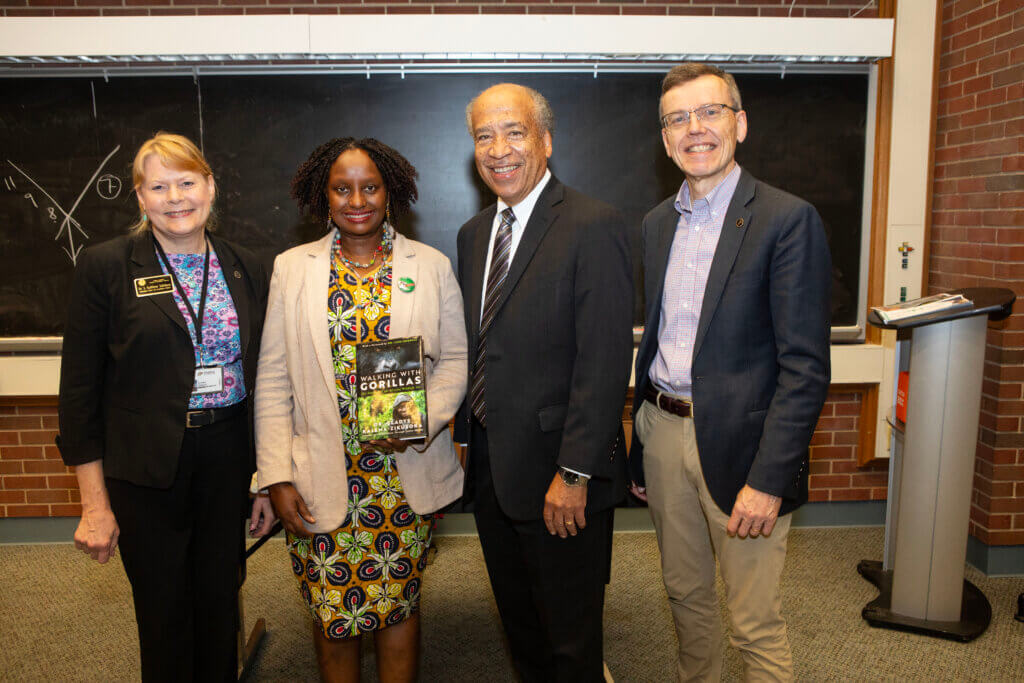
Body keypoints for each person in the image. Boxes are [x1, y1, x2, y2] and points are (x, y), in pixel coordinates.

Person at [630, 63, 832, 681]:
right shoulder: (656, 223)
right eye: (677, 119)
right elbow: (658, 338)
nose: (695, 129)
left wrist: (769, 480)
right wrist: (641, 447)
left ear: (739, 124)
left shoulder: (786, 220)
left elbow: (804, 368)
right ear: (665, 139)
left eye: (709, 112)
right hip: (663, 434)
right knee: (686, 601)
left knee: (753, 623)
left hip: (746, 450)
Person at [57, 132, 275, 682]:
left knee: (220, 600)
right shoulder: (106, 267)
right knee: (163, 612)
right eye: (159, 186)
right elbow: (79, 395)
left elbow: (268, 381)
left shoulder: (246, 265)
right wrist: (94, 506)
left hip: (227, 458)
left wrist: (265, 478)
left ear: (210, 188)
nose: (175, 197)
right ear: (139, 197)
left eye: (186, 182)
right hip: (145, 469)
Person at [255, 137, 467, 682]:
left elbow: (456, 365)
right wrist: (275, 476)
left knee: (398, 606)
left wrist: (417, 422)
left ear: (388, 191)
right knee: (333, 614)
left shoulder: (433, 265)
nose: (357, 199)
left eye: (369, 186)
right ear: (323, 196)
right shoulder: (291, 268)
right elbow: (274, 380)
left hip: (402, 472)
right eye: (342, 188)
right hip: (319, 473)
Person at [455, 83, 633, 682]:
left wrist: (575, 472)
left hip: (562, 478)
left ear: (546, 140)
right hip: (492, 473)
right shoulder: (474, 235)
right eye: (484, 136)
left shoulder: (594, 224)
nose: (498, 149)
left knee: (570, 646)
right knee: (523, 635)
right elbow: (484, 348)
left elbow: (605, 363)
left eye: (514, 132)